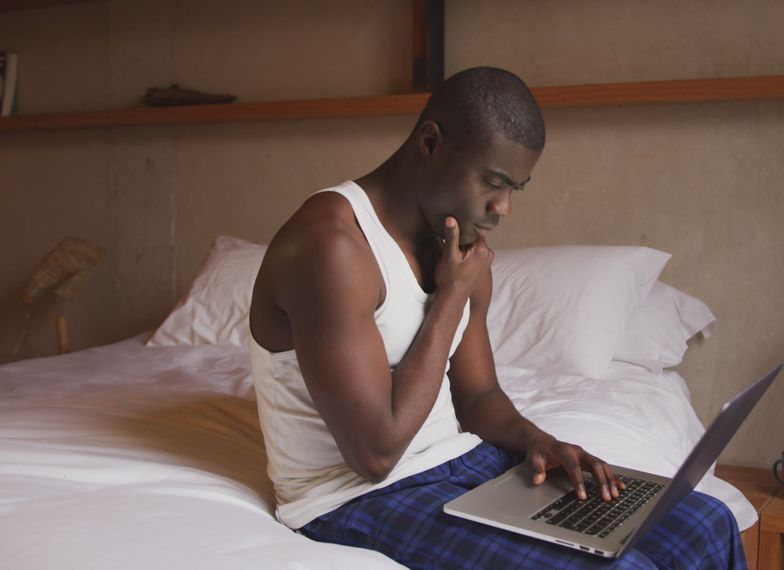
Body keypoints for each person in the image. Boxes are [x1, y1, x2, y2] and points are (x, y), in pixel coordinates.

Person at [248, 66, 745, 569]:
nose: (503, 207)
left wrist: (542, 443)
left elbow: (478, 396)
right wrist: (451, 296)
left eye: (516, 188)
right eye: (494, 181)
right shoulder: (331, 247)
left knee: (705, 522)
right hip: (354, 495)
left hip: (459, 460)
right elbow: (375, 455)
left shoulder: (459, 244)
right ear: (430, 142)